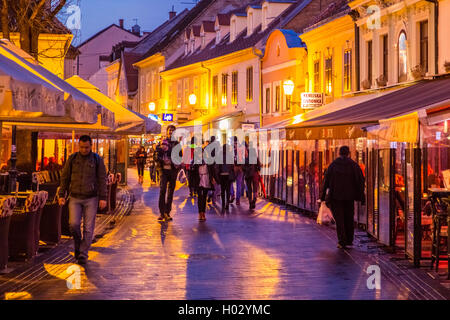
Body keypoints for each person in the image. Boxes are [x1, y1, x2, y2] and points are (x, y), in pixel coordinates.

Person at [58, 135, 107, 265]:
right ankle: (78, 245)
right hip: (74, 197)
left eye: (86, 147)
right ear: (78, 146)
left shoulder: (97, 160)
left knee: (88, 228)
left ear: (91, 146)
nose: (84, 150)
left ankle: (83, 254)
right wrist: (62, 194)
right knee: (73, 224)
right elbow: (65, 177)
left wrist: (103, 197)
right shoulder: (72, 159)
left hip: (91, 198)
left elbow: (102, 179)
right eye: (81, 147)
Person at [320, 146, 365, 249]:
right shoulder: (354, 165)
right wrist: (361, 195)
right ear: (348, 153)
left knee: (339, 219)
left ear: (339, 153)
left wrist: (322, 197)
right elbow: (360, 181)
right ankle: (349, 239)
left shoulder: (333, 165)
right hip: (349, 197)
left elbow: (326, 181)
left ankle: (342, 241)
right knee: (349, 217)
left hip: (336, 197)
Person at [155, 125, 180, 222]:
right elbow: (156, 156)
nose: (171, 132)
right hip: (163, 170)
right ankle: (162, 213)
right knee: (162, 190)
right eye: (170, 130)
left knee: (170, 192)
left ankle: (167, 212)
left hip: (173, 170)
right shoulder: (162, 142)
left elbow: (179, 156)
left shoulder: (177, 144)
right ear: (167, 132)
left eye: (173, 131)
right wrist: (160, 157)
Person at [191, 144, 218, 221]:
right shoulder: (195, 162)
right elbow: (192, 172)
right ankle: (200, 213)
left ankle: (203, 213)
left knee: (205, 196)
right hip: (199, 180)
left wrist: (213, 178)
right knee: (200, 197)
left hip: (206, 179)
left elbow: (212, 170)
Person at [217, 143, 234, 213]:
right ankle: (227, 203)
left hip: (222, 175)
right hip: (228, 175)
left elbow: (217, 166)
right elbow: (232, 165)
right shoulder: (230, 156)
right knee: (228, 190)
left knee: (222, 190)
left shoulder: (219, 156)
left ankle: (223, 204)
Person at [243, 142, 261, 210]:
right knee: (255, 189)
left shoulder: (246, 159)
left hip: (248, 175)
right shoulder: (255, 158)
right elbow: (259, 165)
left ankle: (250, 201)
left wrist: (245, 170)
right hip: (255, 174)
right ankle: (254, 199)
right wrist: (258, 170)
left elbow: (243, 167)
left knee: (249, 189)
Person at [230, 136, 245, 205]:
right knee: (239, 184)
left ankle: (232, 194)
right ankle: (238, 200)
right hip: (240, 169)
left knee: (230, 183)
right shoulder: (241, 148)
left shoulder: (231, 148)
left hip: (234, 168)